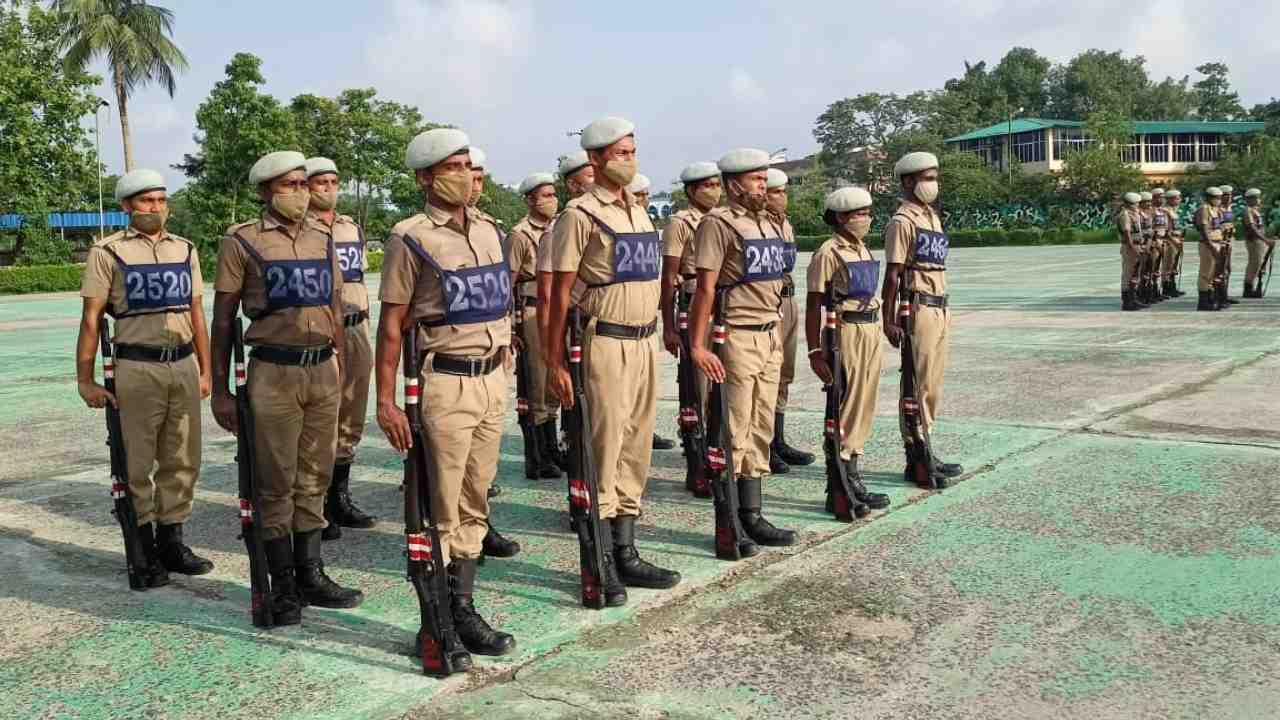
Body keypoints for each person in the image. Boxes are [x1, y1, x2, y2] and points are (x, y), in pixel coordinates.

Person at [374, 128, 515, 656]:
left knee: (477, 499)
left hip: (492, 379)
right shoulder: (410, 238)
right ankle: (434, 620)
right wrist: (385, 401)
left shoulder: (491, 230)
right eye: (452, 167)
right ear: (425, 178)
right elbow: (392, 326)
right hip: (447, 383)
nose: (464, 175)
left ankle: (463, 608)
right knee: (440, 507)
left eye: (467, 165)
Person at [211, 151, 363, 625]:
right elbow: (223, 319)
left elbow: (334, 304)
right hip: (273, 372)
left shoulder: (323, 237)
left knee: (315, 476)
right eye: (289, 185)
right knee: (275, 481)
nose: (300, 192)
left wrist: (339, 361)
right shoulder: (242, 241)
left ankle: (310, 572)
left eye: (303, 184)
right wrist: (220, 390)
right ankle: (281, 585)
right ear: (266, 192)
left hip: (322, 369)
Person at [547, 116, 681, 595]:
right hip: (605, 341)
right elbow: (558, 294)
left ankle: (626, 551)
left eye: (632, 151)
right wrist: (554, 362)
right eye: (620, 153)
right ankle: (600, 558)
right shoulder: (579, 215)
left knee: (636, 447)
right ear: (596, 159)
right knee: (603, 449)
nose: (629, 160)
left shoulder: (639, 213)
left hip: (644, 343)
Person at [77, 168, 214, 585]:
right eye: (145, 201)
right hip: (137, 367)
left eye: (160, 199)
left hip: (183, 364)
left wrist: (207, 370)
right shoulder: (107, 252)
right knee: (137, 461)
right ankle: (144, 547)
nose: (155, 208)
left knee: (183, 457)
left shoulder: (184, 249)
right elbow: (91, 318)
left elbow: (196, 313)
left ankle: (173, 541)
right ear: (127, 206)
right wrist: (85, 379)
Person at [687, 147, 797, 549]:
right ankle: (728, 520)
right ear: (734, 185)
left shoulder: (767, 223)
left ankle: (753, 514)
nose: (763, 186)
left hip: (769, 335)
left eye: (765, 179)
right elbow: (705, 288)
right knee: (733, 428)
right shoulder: (717, 224)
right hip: (737, 335)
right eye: (755, 179)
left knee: (761, 427)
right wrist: (697, 345)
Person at [303, 157, 377, 541]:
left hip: (357, 327)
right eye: (321, 182)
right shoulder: (301, 232)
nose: (329, 189)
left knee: (352, 411)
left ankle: (339, 496)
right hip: (323, 332)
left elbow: (358, 278)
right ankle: (313, 503)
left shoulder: (351, 228)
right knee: (322, 416)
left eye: (334, 182)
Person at [806, 186, 891, 515]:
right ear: (841, 217)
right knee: (847, 403)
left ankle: (853, 473)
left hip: (871, 329)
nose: (866, 219)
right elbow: (814, 304)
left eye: (868, 213)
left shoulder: (862, 248)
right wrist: (815, 351)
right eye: (860, 214)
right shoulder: (828, 253)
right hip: (846, 332)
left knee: (865, 403)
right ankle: (841, 480)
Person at [880, 151, 963, 487]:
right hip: (918, 307)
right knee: (916, 384)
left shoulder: (932, 217)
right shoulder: (903, 222)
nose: (933, 183)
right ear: (908, 181)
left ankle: (926, 446)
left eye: (934, 177)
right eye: (928, 178)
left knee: (933, 384)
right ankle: (915, 455)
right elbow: (893, 274)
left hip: (940, 306)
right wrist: (888, 319)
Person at [660, 160, 721, 494]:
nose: (715, 191)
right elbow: (668, 277)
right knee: (694, 388)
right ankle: (696, 465)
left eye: (717, 184)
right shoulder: (680, 223)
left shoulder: (721, 219)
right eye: (707, 186)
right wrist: (668, 327)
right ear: (691, 191)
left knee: (718, 388)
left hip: (719, 307)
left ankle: (716, 457)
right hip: (691, 303)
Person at [535, 151, 594, 467]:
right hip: (574, 324)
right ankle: (569, 450)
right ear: (573, 185)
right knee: (575, 396)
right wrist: (550, 347)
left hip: (600, 324)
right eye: (590, 175)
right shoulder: (559, 228)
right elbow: (548, 293)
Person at [508, 172, 562, 478]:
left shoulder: (559, 228)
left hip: (556, 311)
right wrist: (509, 328)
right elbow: (506, 283)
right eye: (547, 195)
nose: (553, 200)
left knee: (553, 384)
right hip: (530, 311)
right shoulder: (520, 234)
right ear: (530, 200)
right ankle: (536, 455)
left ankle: (552, 449)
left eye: (554, 194)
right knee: (537, 383)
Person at [765, 167, 815, 474]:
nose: (782, 197)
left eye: (784, 191)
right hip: (768, 303)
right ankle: (764, 443)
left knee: (785, 373)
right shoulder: (757, 225)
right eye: (776, 192)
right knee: (768, 373)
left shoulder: (785, 223)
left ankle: (778, 439)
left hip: (789, 299)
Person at [1195, 187, 1226, 312]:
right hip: (1208, 244)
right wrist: (1211, 245)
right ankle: (1203, 301)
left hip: (1217, 242)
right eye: (1216, 198)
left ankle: (1210, 298)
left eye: (1219, 198)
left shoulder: (1215, 210)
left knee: (1214, 273)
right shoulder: (1204, 209)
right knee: (1206, 272)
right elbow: (1204, 229)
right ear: (1209, 198)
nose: (1218, 200)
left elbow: (1217, 227)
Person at [1242, 188, 1275, 297]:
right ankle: (1248, 289)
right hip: (1254, 241)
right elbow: (1252, 228)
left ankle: (1252, 287)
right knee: (1254, 264)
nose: (1259, 200)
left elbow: (1260, 227)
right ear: (1250, 199)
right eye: (1256, 198)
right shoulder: (1248, 211)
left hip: (1259, 241)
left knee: (1259, 264)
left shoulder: (1255, 210)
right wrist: (1265, 240)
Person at [1116, 192, 1144, 311]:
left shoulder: (1134, 214)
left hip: (1136, 245)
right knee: (1128, 274)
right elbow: (1127, 233)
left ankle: (1133, 299)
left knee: (1135, 274)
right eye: (1136, 204)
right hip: (1130, 247)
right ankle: (1127, 302)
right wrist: (1133, 248)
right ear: (1130, 204)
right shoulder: (1125, 215)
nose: (1138, 205)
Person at [1161, 189, 1186, 298]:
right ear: (1170, 199)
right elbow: (1166, 229)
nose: (1179, 200)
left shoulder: (1176, 210)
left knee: (1174, 265)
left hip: (1177, 238)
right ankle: (1166, 288)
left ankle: (1173, 287)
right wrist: (1174, 240)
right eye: (1177, 198)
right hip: (1170, 240)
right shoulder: (1165, 211)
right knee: (1168, 264)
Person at [1219, 185, 1239, 306]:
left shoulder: (1229, 208)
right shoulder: (1218, 209)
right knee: (1221, 268)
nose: (1229, 197)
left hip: (1230, 239)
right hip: (1222, 240)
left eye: (1230, 195)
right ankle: (1220, 295)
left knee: (1228, 269)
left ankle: (1225, 294)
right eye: (1226, 195)